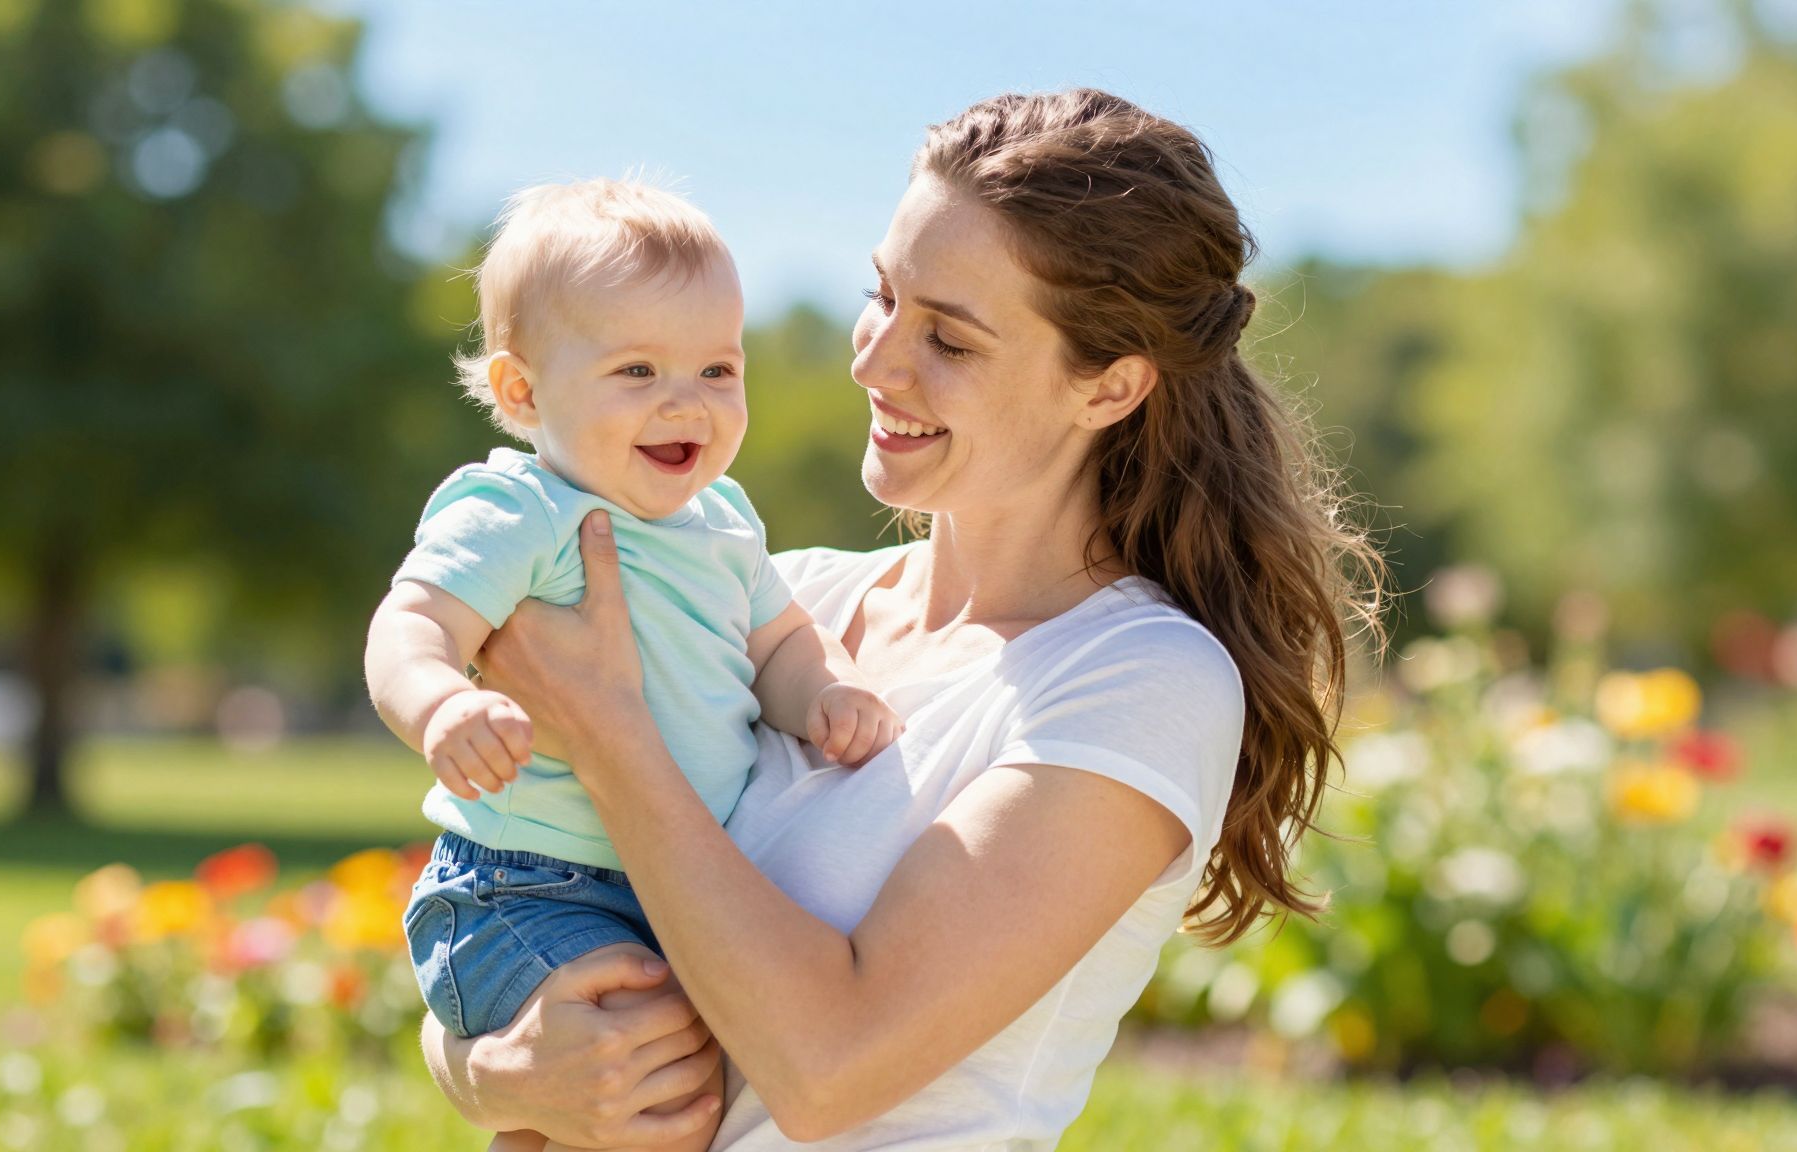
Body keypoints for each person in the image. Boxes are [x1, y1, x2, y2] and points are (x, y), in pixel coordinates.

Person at [423, 89, 1384, 1151]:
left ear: (1107, 388)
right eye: (881, 296)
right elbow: (508, 912)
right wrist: (492, 1072)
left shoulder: (1137, 681)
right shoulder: (782, 599)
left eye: (951, 341)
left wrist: (609, 733)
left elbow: (829, 1069)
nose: (874, 363)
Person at [364, 178, 902, 1151]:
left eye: (715, 370)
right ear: (522, 392)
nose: (683, 403)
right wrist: (441, 704)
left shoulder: (726, 523)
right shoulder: (521, 511)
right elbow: (410, 623)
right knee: (641, 1084)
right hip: (526, 883)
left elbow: (777, 641)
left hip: (674, 884)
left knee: (634, 1097)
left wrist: (818, 694)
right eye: (637, 372)